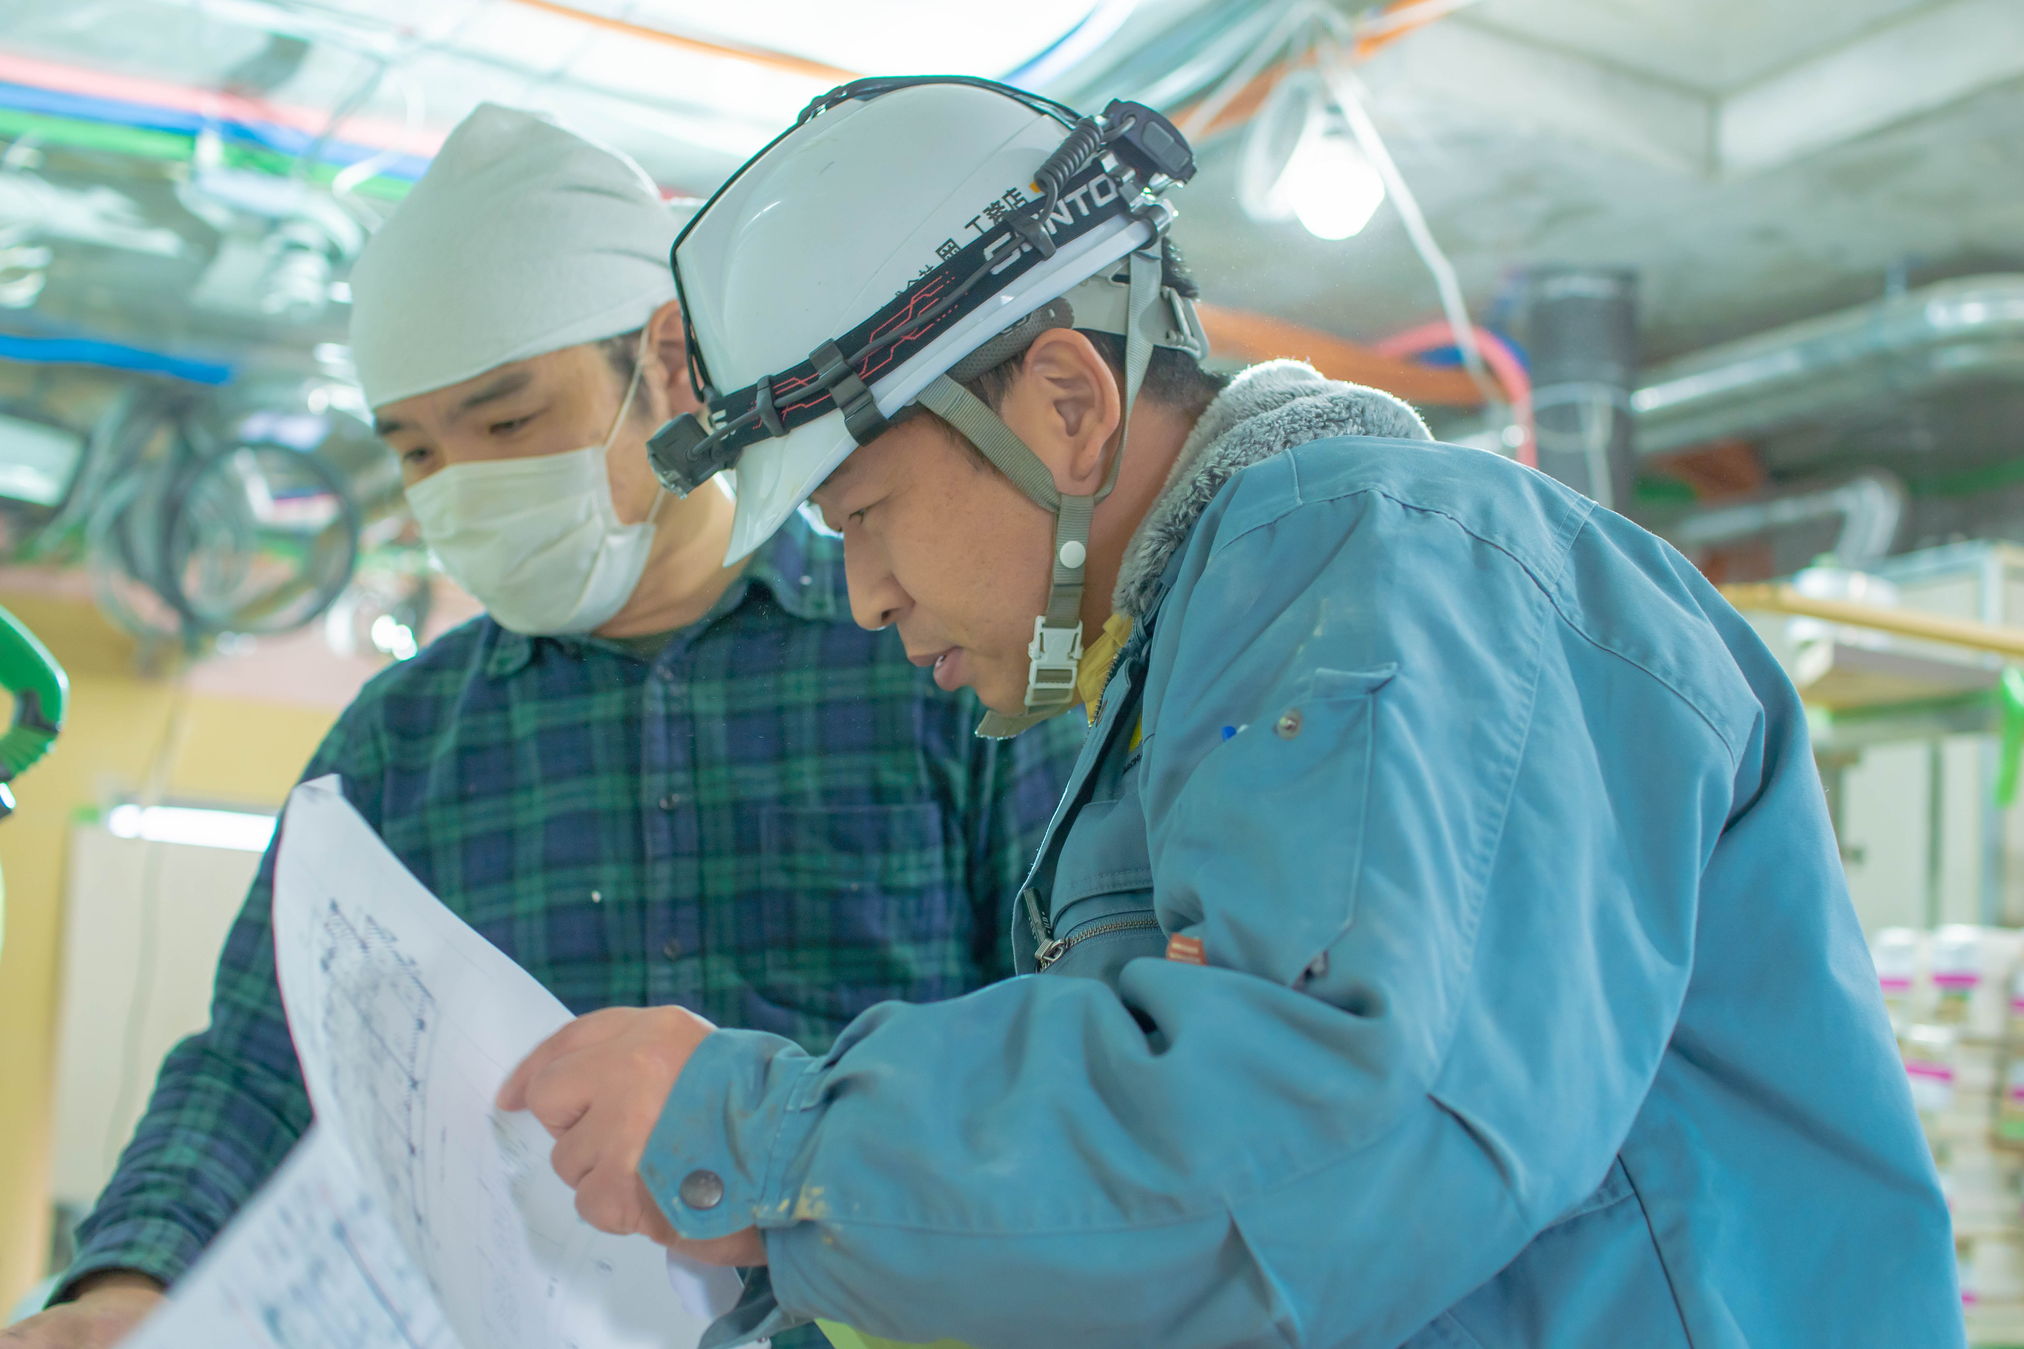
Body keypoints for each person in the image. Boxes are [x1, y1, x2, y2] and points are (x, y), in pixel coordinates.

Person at [501, 78, 1963, 1348]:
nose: (866, 594)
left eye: (865, 511)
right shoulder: (1206, 654)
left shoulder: (1384, 560)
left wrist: (750, 1136)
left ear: (1067, 403)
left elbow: (1335, 1149)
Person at [2, 102, 1079, 1348]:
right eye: (413, 452)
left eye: (507, 422)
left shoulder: (933, 655)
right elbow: (256, 1062)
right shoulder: (397, 745)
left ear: (670, 363)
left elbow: (1076, 1037)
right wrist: (125, 1283)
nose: (462, 484)